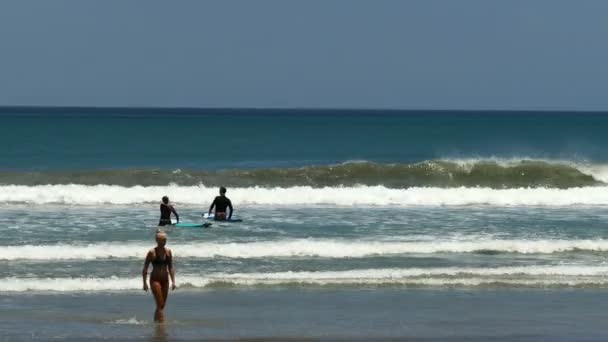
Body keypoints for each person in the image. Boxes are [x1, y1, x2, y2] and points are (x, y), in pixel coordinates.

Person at [142, 230, 176, 323]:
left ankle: (156, 323)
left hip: (165, 280)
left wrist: (173, 281)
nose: (163, 242)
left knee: (161, 305)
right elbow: (145, 268)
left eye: (165, 240)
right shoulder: (152, 252)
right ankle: (162, 324)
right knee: (160, 303)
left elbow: (171, 267)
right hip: (155, 280)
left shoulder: (168, 252)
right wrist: (144, 283)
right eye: (161, 240)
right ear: (157, 240)